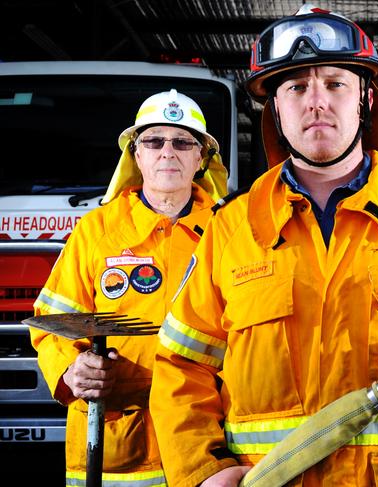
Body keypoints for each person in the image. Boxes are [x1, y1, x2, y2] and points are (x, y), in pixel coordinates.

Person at [150, 6, 378, 487]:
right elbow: (182, 365)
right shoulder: (232, 228)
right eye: (297, 87)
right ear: (276, 107)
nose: (316, 102)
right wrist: (203, 469)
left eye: (335, 84)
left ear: (366, 97)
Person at [29, 89, 228, 486]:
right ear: (136, 155)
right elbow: (51, 321)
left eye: (182, 141)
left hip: (209, 439)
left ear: (201, 157)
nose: (167, 152)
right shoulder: (96, 231)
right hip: (117, 444)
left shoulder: (232, 229)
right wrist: (71, 370)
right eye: (153, 141)